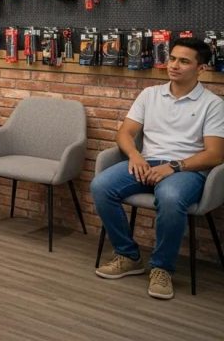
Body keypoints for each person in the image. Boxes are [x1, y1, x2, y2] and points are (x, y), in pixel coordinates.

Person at [92, 37, 224, 300]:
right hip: (147, 162)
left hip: (188, 169)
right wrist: (134, 156)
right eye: (172, 58)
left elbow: (215, 155)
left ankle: (162, 268)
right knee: (101, 186)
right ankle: (128, 255)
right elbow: (125, 133)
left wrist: (173, 166)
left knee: (170, 196)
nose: (174, 65)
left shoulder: (213, 104)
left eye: (184, 61)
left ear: (201, 68)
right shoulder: (149, 94)